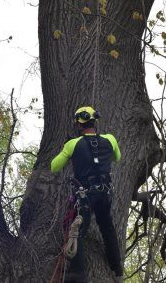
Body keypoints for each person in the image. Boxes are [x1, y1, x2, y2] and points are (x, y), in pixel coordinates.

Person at [51, 106, 123, 282]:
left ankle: (78, 273)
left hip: (85, 195)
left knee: (79, 230)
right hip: (104, 193)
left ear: (79, 124)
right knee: (107, 226)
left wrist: (68, 151)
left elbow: (54, 167)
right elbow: (117, 158)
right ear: (95, 122)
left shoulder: (72, 144)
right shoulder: (110, 140)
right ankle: (117, 265)